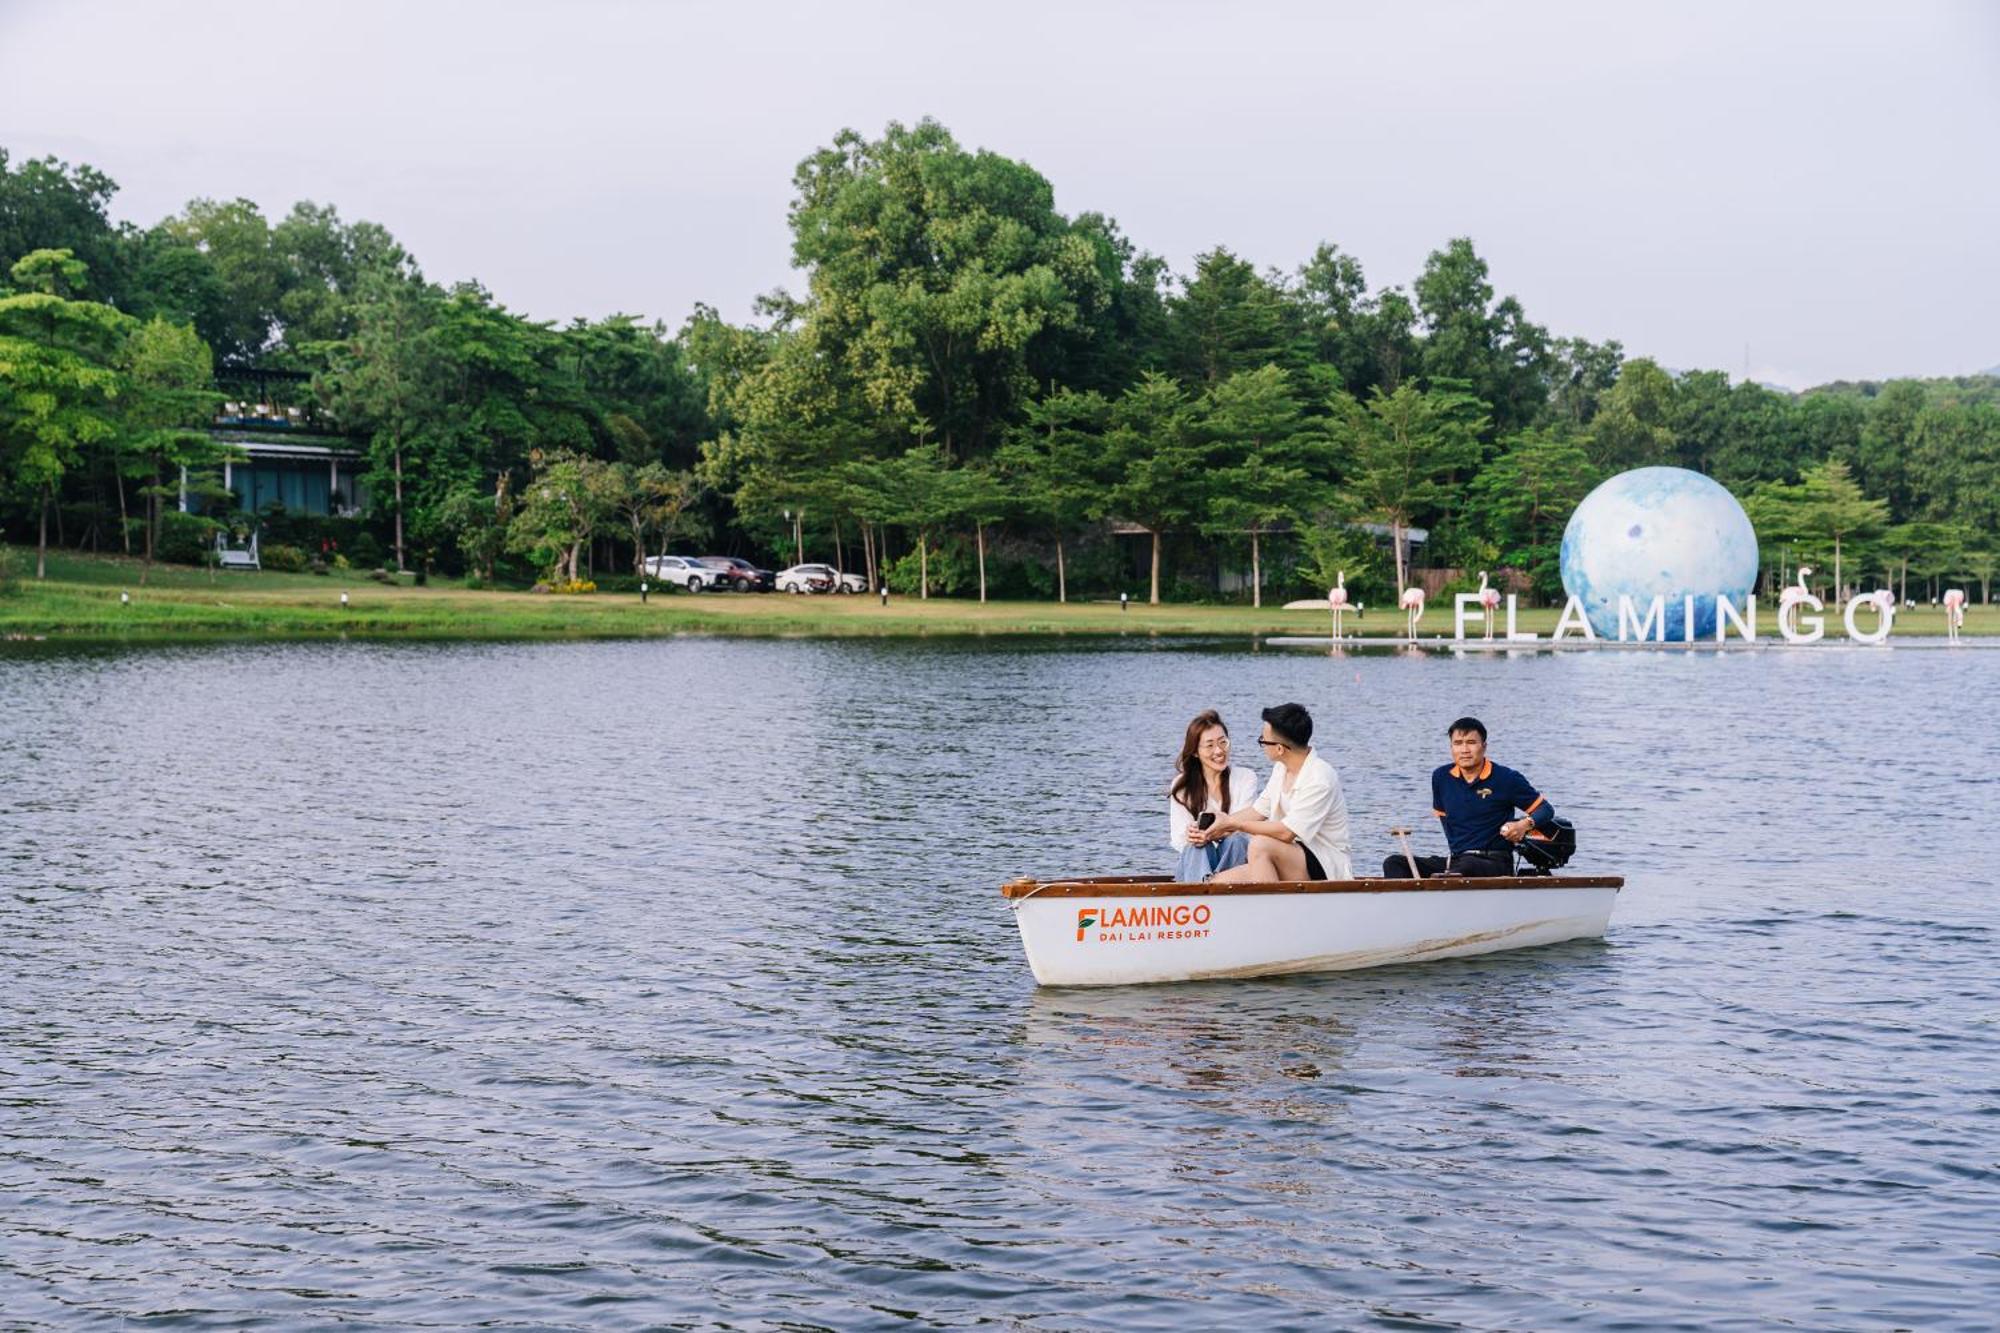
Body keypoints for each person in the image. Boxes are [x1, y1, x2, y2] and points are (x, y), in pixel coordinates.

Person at [1382, 715, 1555, 878]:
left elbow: (1545, 810)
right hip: (1457, 861)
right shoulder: (1441, 777)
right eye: (1458, 743)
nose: (1464, 750)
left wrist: (1524, 825)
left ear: (1484, 746)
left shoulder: (1506, 778)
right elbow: (1445, 819)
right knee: (1394, 863)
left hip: (1495, 862)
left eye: (1471, 742)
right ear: (1451, 747)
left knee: (1466, 866)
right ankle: (1409, 906)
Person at [1208, 703, 1353, 882]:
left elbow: (1287, 832)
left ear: (1279, 749)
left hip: (1324, 864)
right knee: (1218, 882)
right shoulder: (1281, 768)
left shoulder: (1319, 778)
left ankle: (1272, 908)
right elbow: (1258, 811)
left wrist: (1234, 825)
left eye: (1263, 740)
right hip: (1290, 855)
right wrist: (1217, 825)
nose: (1261, 744)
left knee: (1260, 844)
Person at [1169, 710, 1257, 882]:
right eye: (1210, 745)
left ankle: (1214, 892)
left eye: (1223, 742)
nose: (1219, 751)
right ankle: (1203, 895)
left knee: (1237, 841)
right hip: (1194, 863)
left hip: (1234, 860)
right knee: (1196, 847)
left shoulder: (1246, 778)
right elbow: (1179, 839)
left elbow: (1244, 826)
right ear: (1195, 752)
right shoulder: (1181, 786)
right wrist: (1193, 834)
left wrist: (1211, 833)